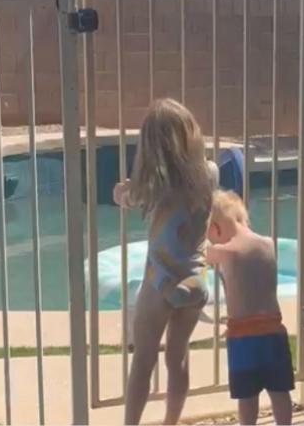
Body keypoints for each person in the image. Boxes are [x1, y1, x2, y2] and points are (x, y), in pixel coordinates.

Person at [114, 98, 218, 425]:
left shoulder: (151, 186)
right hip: (196, 281)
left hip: (160, 282)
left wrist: (123, 190)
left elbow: (122, 198)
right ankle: (171, 422)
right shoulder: (209, 173)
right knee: (178, 357)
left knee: (143, 361)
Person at [206, 190, 294, 425]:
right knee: (279, 390)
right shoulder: (268, 244)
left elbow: (197, 256)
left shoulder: (223, 252)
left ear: (215, 229)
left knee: (247, 395)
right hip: (274, 331)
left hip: (243, 336)